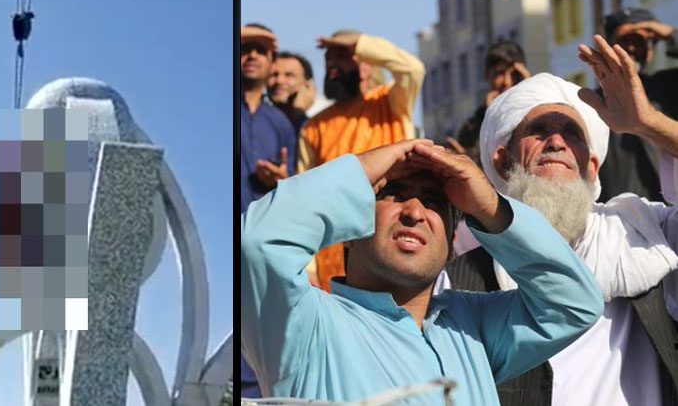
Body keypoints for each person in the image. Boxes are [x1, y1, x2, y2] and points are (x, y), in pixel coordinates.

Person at [241, 138, 603, 404]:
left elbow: (574, 304)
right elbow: (257, 244)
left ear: (449, 244)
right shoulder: (303, 326)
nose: (414, 212)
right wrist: (365, 166)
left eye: (433, 203)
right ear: (347, 232)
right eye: (394, 195)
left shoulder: (470, 327)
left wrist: (490, 207)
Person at [446, 35, 678, 405]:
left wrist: (647, 123)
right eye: (538, 132)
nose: (557, 142)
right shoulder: (462, 280)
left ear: (592, 166)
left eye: (572, 133)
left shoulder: (645, 234)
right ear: (504, 161)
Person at [299, 29, 425, 291]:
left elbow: (413, 69)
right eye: (329, 58)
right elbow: (306, 201)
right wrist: (307, 267)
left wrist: (359, 43)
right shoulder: (314, 127)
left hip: (393, 242)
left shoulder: (391, 103)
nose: (332, 64)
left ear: (367, 66)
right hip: (332, 261)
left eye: (343, 56)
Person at [239, 22, 297, 399]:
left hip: (264, 245)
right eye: (245, 48)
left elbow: (294, 184)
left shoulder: (281, 123)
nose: (252, 56)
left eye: (261, 49)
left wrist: (282, 178)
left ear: (271, 59)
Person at [598, 7, 678, 202]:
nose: (631, 48)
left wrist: (672, 34)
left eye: (639, 42)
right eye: (624, 41)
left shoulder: (669, 86)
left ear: (651, 50)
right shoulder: (592, 102)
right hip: (619, 220)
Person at [450, 40, 530, 162]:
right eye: (500, 74)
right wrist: (491, 117)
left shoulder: (537, 112)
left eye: (514, 74)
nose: (507, 82)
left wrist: (529, 88)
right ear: (487, 75)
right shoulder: (473, 126)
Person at [267, 50, 316, 138]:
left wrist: (298, 113)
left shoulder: (315, 130)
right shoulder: (252, 123)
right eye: (274, 75)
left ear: (308, 85)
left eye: (289, 75)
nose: (279, 81)